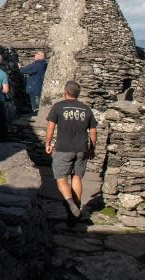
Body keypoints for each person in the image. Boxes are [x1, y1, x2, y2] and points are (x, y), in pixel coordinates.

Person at [45, 81, 97, 225]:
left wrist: (48, 144)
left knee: (61, 179)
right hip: (82, 149)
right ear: (78, 94)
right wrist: (92, 148)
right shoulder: (86, 109)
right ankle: (75, 212)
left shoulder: (58, 106)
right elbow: (93, 130)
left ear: (65, 92)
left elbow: (50, 127)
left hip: (63, 148)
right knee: (77, 178)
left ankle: (70, 204)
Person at [20, 51, 47, 115]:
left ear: (41, 56)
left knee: (36, 107)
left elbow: (25, 70)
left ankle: (36, 117)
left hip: (35, 89)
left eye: (37, 54)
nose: (35, 55)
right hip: (37, 88)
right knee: (36, 105)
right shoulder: (43, 64)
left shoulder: (38, 65)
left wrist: (20, 67)